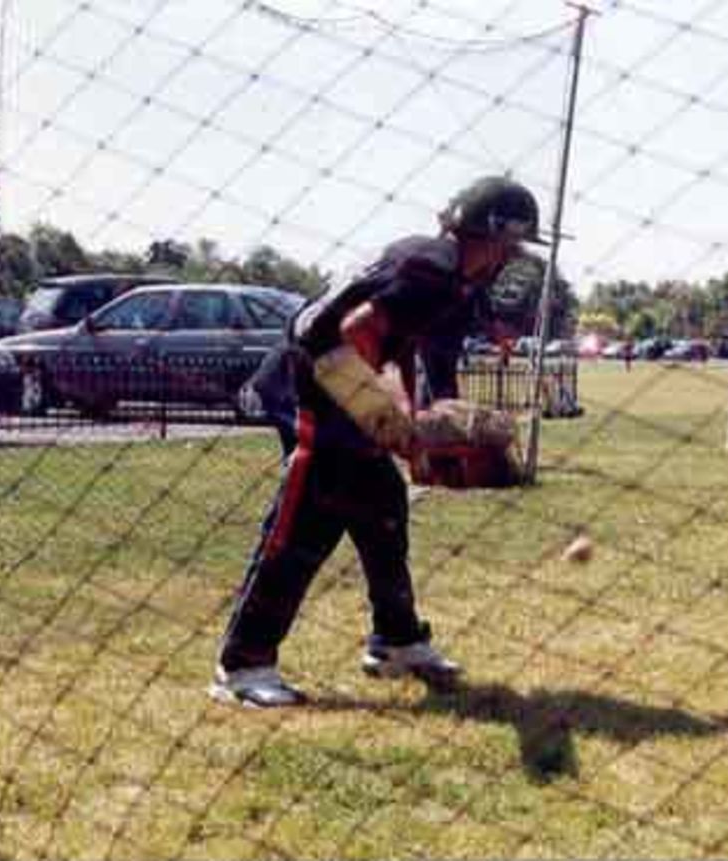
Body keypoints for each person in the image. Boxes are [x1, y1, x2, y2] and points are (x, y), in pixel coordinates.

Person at [210, 176, 545, 707]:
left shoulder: (450, 274)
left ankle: (397, 640)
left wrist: (414, 417)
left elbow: (401, 346)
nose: (512, 258)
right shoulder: (431, 269)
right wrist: (393, 422)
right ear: (486, 233)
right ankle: (244, 666)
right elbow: (354, 333)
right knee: (307, 518)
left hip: (342, 373)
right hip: (314, 376)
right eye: (510, 245)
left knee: (382, 507)